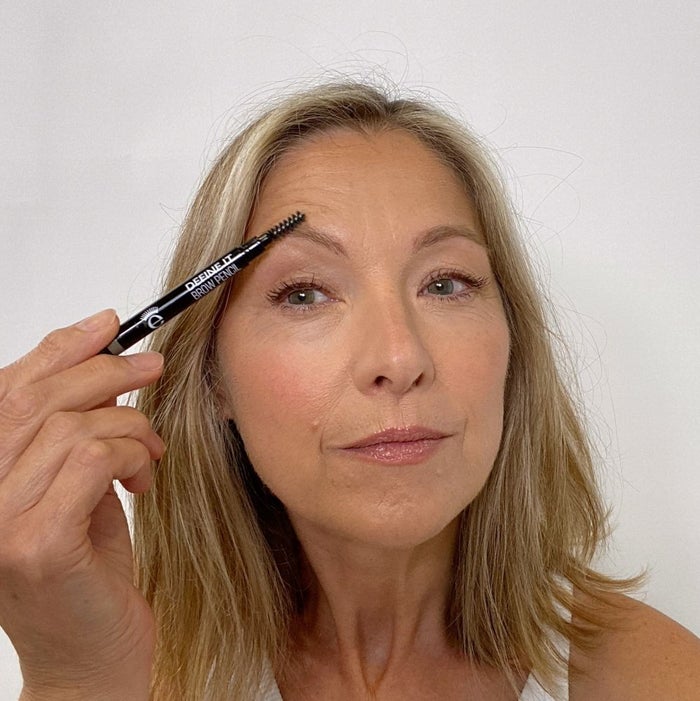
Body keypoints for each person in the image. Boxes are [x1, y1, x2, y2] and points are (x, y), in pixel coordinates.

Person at [1, 81, 699, 701]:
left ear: (513, 343)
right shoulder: (120, 670)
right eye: (304, 293)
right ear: (213, 378)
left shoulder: (653, 678)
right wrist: (77, 683)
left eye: (445, 283)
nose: (399, 357)